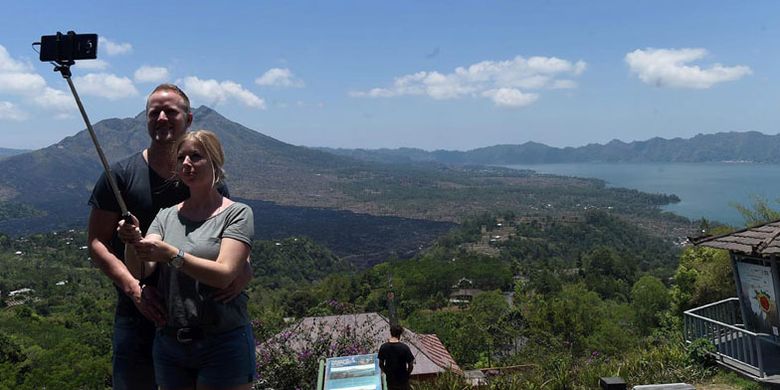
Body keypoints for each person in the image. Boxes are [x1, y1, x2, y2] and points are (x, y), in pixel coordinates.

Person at [87, 84, 251, 390]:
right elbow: (97, 241)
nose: (162, 118)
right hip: (137, 315)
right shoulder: (121, 175)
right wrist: (135, 290)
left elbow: (228, 233)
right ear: (147, 120)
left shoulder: (205, 180)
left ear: (188, 119)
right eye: (154, 113)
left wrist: (244, 270)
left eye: (170, 112)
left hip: (197, 316)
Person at [120, 130, 255, 390]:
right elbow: (143, 268)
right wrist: (133, 242)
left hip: (222, 342)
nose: (186, 163)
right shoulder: (166, 216)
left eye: (196, 156)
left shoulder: (237, 214)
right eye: (181, 157)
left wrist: (172, 254)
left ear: (215, 162)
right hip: (170, 344)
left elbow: (224, 273)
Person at [378, 324, 415, 390]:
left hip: (390, 380)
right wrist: (407, 374)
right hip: (402, 380)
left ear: (391, 333)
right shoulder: (404, 348)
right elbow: (411, 364)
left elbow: (381, 364)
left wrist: (387, 372)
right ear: (400, 334)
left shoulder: (383, 347)